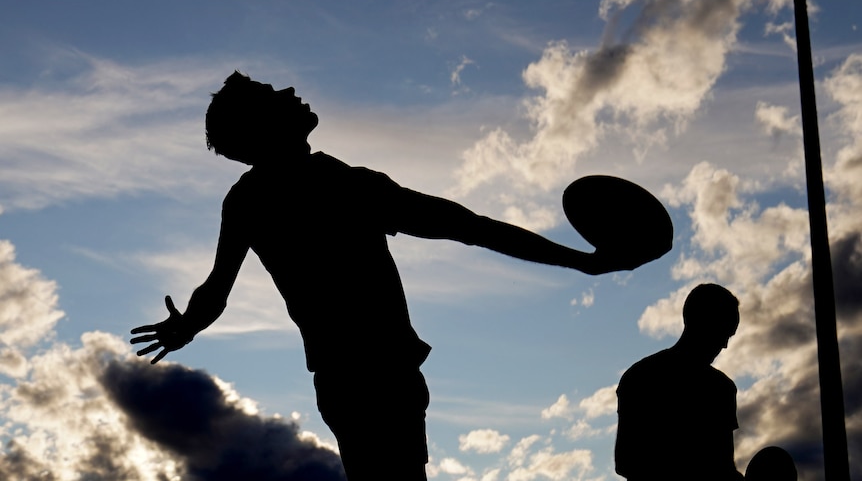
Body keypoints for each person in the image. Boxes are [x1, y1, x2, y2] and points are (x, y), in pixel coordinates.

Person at [131, 71, 644, 481]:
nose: (289, 90)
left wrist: (189, 326)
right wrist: (582, 261)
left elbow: (215, 291)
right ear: (261, 126)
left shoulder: (251, 199)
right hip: (376, 374)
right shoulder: (341, 188)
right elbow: (471, 228)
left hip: (347, 375)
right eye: (273, 94)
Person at [614, 283, 744, 481]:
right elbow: (625, 461)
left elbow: (724, 466)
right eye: (723, 332)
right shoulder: (720, 388)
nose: (725, 345)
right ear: (698, 322)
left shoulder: (639, 375)